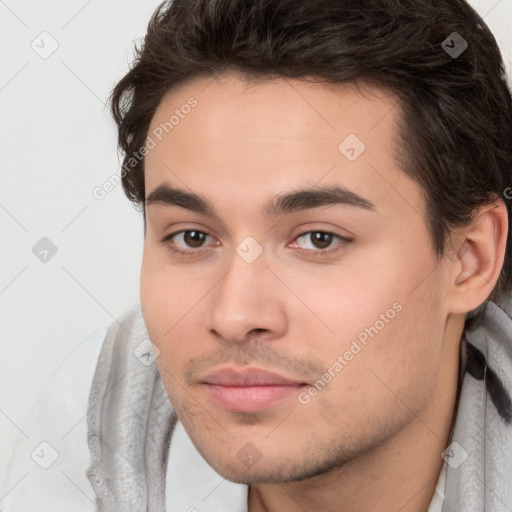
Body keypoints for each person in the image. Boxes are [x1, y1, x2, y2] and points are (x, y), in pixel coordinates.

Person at [2, 0, 512, 510]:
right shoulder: (93, 418)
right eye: (192, 237)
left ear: (471, 259)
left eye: (318, 239)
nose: (235, 316)